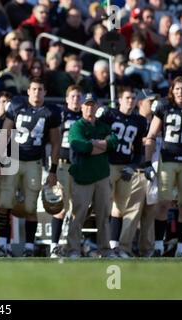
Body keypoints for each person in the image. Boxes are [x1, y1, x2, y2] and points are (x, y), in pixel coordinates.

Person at [0, 77, 61, 257]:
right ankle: (3, 245)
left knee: (30, 207)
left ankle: (29, 247)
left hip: (34, 162)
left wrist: (53, 170)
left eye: (40, 89)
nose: (37, 92)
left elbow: (56, 142)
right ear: (28, 91)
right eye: (34, 89)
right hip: (12, 160)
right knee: (5, 203)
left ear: (45, 92)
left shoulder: (51, 112)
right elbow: (5, 133)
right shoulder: (17, 105)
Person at [96, 87, 148, 257]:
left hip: (125, 167)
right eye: (127, 98)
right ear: (119, 100)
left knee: (120, 208)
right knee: (104, 206)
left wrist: (133, 166)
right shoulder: (109, 115)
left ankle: (114, 246)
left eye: (133, 98)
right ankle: (103, 246)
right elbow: (96, 134)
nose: (130, 101)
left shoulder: (139, 121)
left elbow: (139, 149)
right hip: (108, 165)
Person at [66, 93, 119, 258]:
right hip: (82, 177)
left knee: (103, 216)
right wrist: (102, 145)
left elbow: (114, 143)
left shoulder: (103, 126)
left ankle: (105, 250)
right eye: (87, 104)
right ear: (81, 107)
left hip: (102, 175)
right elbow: (79, 146)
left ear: (97, 107)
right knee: (78, 215)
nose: (90, 107)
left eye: (92, 104)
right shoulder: (77, 126)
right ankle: (73, 249)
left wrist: (93, 145)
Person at [145, 77, 182, 257]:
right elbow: (151, 135)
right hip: (168, 158)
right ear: (172, 90)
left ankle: (180, 248)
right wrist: (148, 162)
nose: (181, 93)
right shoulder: (164, 106)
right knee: (163, 203)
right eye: (178, 89)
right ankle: (158, 245)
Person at [118, 89, 159, 257]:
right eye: (150, 101)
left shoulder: (158, 121)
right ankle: (123, 248)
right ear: (141, 103)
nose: (154, 104)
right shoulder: (135, 121)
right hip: (137, 171)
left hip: (155, 172)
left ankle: (147, 250)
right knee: (132, 212)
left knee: (150, 215)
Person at [49, 85, 83, 258]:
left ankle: (73, 246)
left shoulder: (86, 116)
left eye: (79, 96)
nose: (76, 100)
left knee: (78, 208)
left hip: (81, 165)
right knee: (60, 206)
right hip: (62, 163)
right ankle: (54, 245)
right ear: (67, 98)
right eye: (73, 96)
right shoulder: (60, 114)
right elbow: (51, 139)